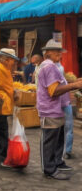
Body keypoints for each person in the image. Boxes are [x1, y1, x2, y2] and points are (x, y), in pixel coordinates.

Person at [35, 39, 81, 180]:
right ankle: (49, 169)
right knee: (50, 141)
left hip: (56, 108)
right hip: (49, 109)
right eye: (56, 51)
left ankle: (57, 162)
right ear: (47, 52)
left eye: (59, 51)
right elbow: (53, 91)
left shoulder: (51, 66)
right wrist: (75, 85)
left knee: (58, 138)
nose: (59, 54)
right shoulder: (49, 67)